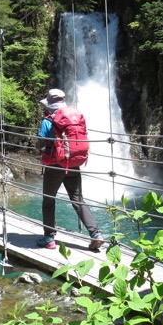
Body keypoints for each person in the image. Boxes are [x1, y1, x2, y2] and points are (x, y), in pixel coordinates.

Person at [35, 88, 104, 251]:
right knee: (77, 198)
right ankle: (96, 234)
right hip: (74, 163)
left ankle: (49, 238)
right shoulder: (75, 118)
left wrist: (38, 145)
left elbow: (40, 143)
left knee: (48, 199)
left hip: (55, 164)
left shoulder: (48, 120)